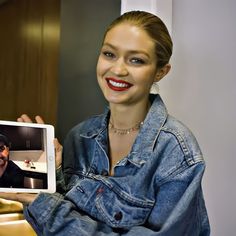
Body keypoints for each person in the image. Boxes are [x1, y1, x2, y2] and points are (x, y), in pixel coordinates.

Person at [0, 11, 210, 235]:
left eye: (136, 60)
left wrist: (47, 207)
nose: (118, 70)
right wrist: (53, 178)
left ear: (160, 72)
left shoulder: (176, 152)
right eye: (109, 54)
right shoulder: (78, 137)